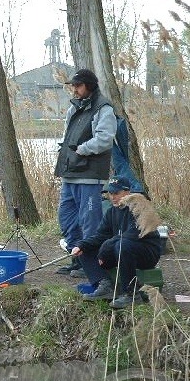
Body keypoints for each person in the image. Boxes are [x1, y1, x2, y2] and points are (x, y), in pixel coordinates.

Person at [54, 68, 117, 278]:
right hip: (70, 173)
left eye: (78, 86)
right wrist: (63, 149)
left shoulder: (103, 108)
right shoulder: (74, 108)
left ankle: (91, 267)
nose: (75, 90)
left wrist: (81, 149)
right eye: (73, 86)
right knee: (67, 219)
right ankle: (77, 260)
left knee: (90, 223)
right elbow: (67, 135)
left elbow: (105, 139)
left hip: (90, 175)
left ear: (89, 85)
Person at [71, 176, 162, 309]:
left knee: (122, 245)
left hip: (146, 253)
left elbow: (132, 235)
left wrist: (106, 246)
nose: (113, 197)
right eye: (111, 193)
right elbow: (100, 236)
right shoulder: (111, 212)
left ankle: (131, 294)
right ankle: (105, 285)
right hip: (120, 250)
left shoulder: (139, 207)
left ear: (127, 192)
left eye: (116, 193)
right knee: (84, 248)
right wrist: (81, 245)